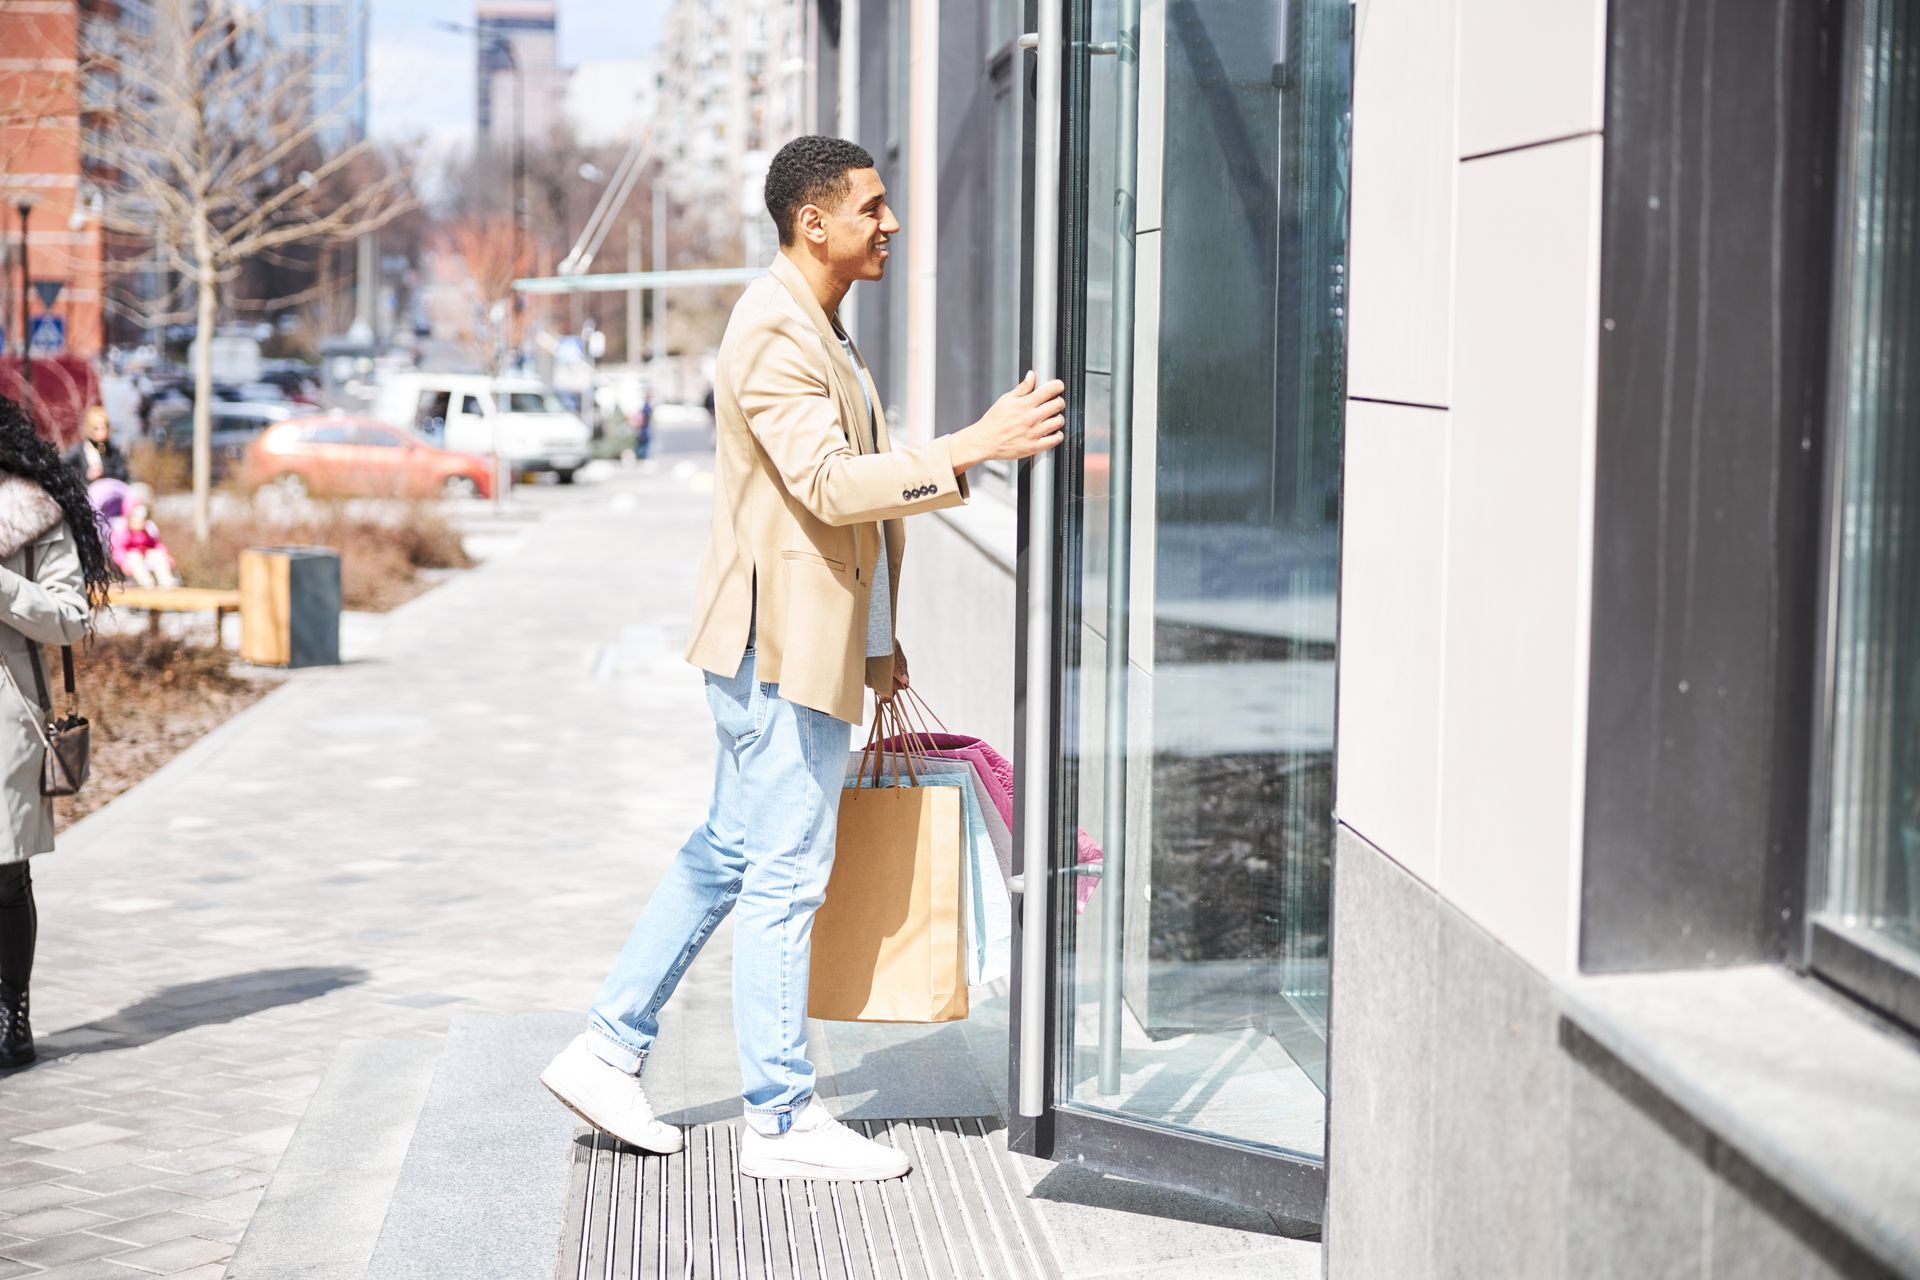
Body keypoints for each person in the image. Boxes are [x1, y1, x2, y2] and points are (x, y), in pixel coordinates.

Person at [541, 136, 1065, 1181]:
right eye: (872, 208)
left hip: (797, 643)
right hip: (779, 653)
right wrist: (973, 445)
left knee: (730, 853)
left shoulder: (816, 322)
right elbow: (829, 485)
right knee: (784, 877)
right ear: (812, 222)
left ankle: (606, 1045)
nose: (892, 223)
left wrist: (879, 643)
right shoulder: (776, 328)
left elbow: (827, 509)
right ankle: (779, 1120)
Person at [0, 396, 112, 1069]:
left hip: (6, 719)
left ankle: (12, 1011)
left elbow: (71, 617)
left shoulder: (29, 509)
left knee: (4, 876)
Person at [110, 483, 181, 589]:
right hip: (132, 557)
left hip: (145, 554)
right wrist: (123, 562)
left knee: (157, 555)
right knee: (134, 557)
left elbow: (156, 545)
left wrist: (165, 556)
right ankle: (145, 582)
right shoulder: (122, 530)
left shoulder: (147, 530)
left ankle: (166, 579)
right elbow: (118, 549)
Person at [75, 406, 129, 484]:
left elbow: (123, 474)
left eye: (103, 427)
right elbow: (67, 472)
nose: (101, 431)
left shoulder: (112, 450)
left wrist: (104, 473)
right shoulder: (79, 450)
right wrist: (86, 476)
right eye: (97, 428)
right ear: (90, 429)